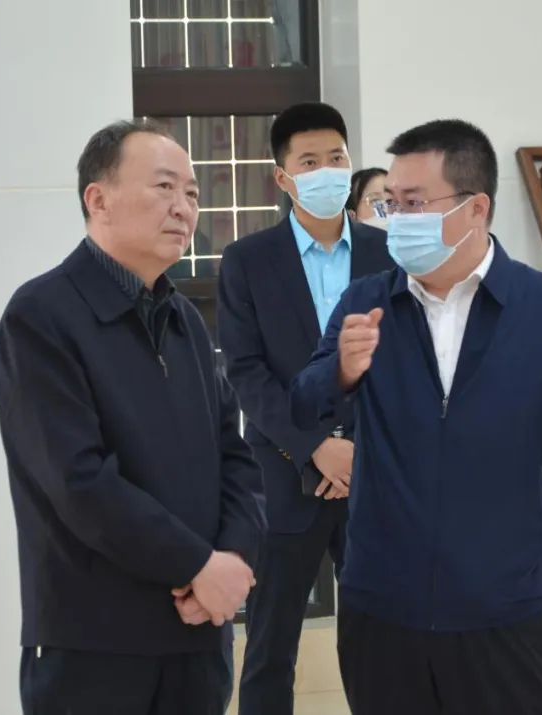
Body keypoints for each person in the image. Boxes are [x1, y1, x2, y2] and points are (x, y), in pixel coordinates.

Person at [291, 119, 542, 715]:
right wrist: (340, 372)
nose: (398, 219)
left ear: (476, 208)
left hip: (503, 612)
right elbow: (303, 407)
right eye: (390, 203)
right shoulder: (366, 303)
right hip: (383, 611)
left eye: (414, 203)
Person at [0, 119, 266, 715]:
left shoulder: (184, 319)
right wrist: (197, 564)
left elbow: (235, 455)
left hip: (197, 634)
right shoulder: (40, 315)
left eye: (192, 193)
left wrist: (235, 559)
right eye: (164, 187)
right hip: (95, 643)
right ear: (98, 199)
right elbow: (79, 481)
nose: (184, 208)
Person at [218, 102, 393, 715]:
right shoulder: (247, 260)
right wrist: (316, 445)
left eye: (336, 158)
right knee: (271, 644)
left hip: (374, 475)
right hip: (284, 474)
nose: (327, 171)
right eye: (309, 161)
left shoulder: (387, 252)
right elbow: (246, 372)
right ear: (283, 177)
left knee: (381, 641)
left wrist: (359, 450)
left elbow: (406, 363)